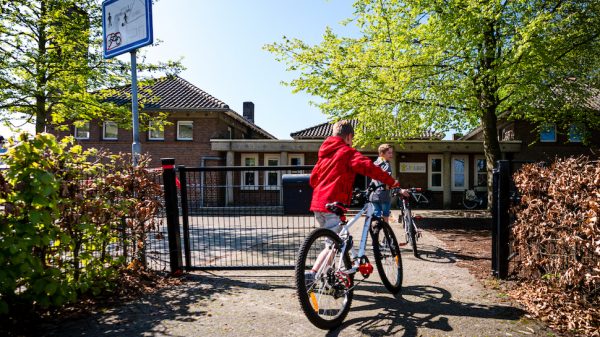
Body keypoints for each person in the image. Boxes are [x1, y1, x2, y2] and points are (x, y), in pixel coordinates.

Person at [305, 120, 404, 284]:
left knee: (339, 237)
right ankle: (312, 275)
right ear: (349, 136)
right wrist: (391, 181)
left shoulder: (324, 154)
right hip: (333, 202)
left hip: (318, 203)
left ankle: (340, 269)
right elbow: (369, 168)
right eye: (352, 138)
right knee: (332, 245)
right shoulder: (347, 152)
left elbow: (313, 179)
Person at [369, 144, 394, 223]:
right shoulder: (385, 164)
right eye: (389, 153)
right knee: (386, 215)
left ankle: (376, 233)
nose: (391, 155)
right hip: (384, 195)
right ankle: (386, 234)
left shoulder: (375, 163)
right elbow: (387, 179)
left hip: (373, 195)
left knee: (376, 216)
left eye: (391, 153)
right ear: (381, 154)